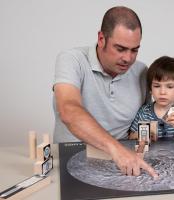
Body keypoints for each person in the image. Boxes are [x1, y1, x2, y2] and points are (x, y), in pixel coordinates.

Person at [53, 6, 157, 178]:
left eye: (135, 50)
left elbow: (144, 120)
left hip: (124, 165)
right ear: (101, 39)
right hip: (71, 159)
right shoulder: (72, 60)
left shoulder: (141, 71)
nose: (128, 58)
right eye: (120, 48)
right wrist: (117, 150)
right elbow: (69, 110)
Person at [128, 56, 174, 141]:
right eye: (157, 86)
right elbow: (131, 136)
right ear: (150, 88)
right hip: (152, 154)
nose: (162, 92)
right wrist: (141, 133)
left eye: (169, 87)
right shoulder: (144, 112)